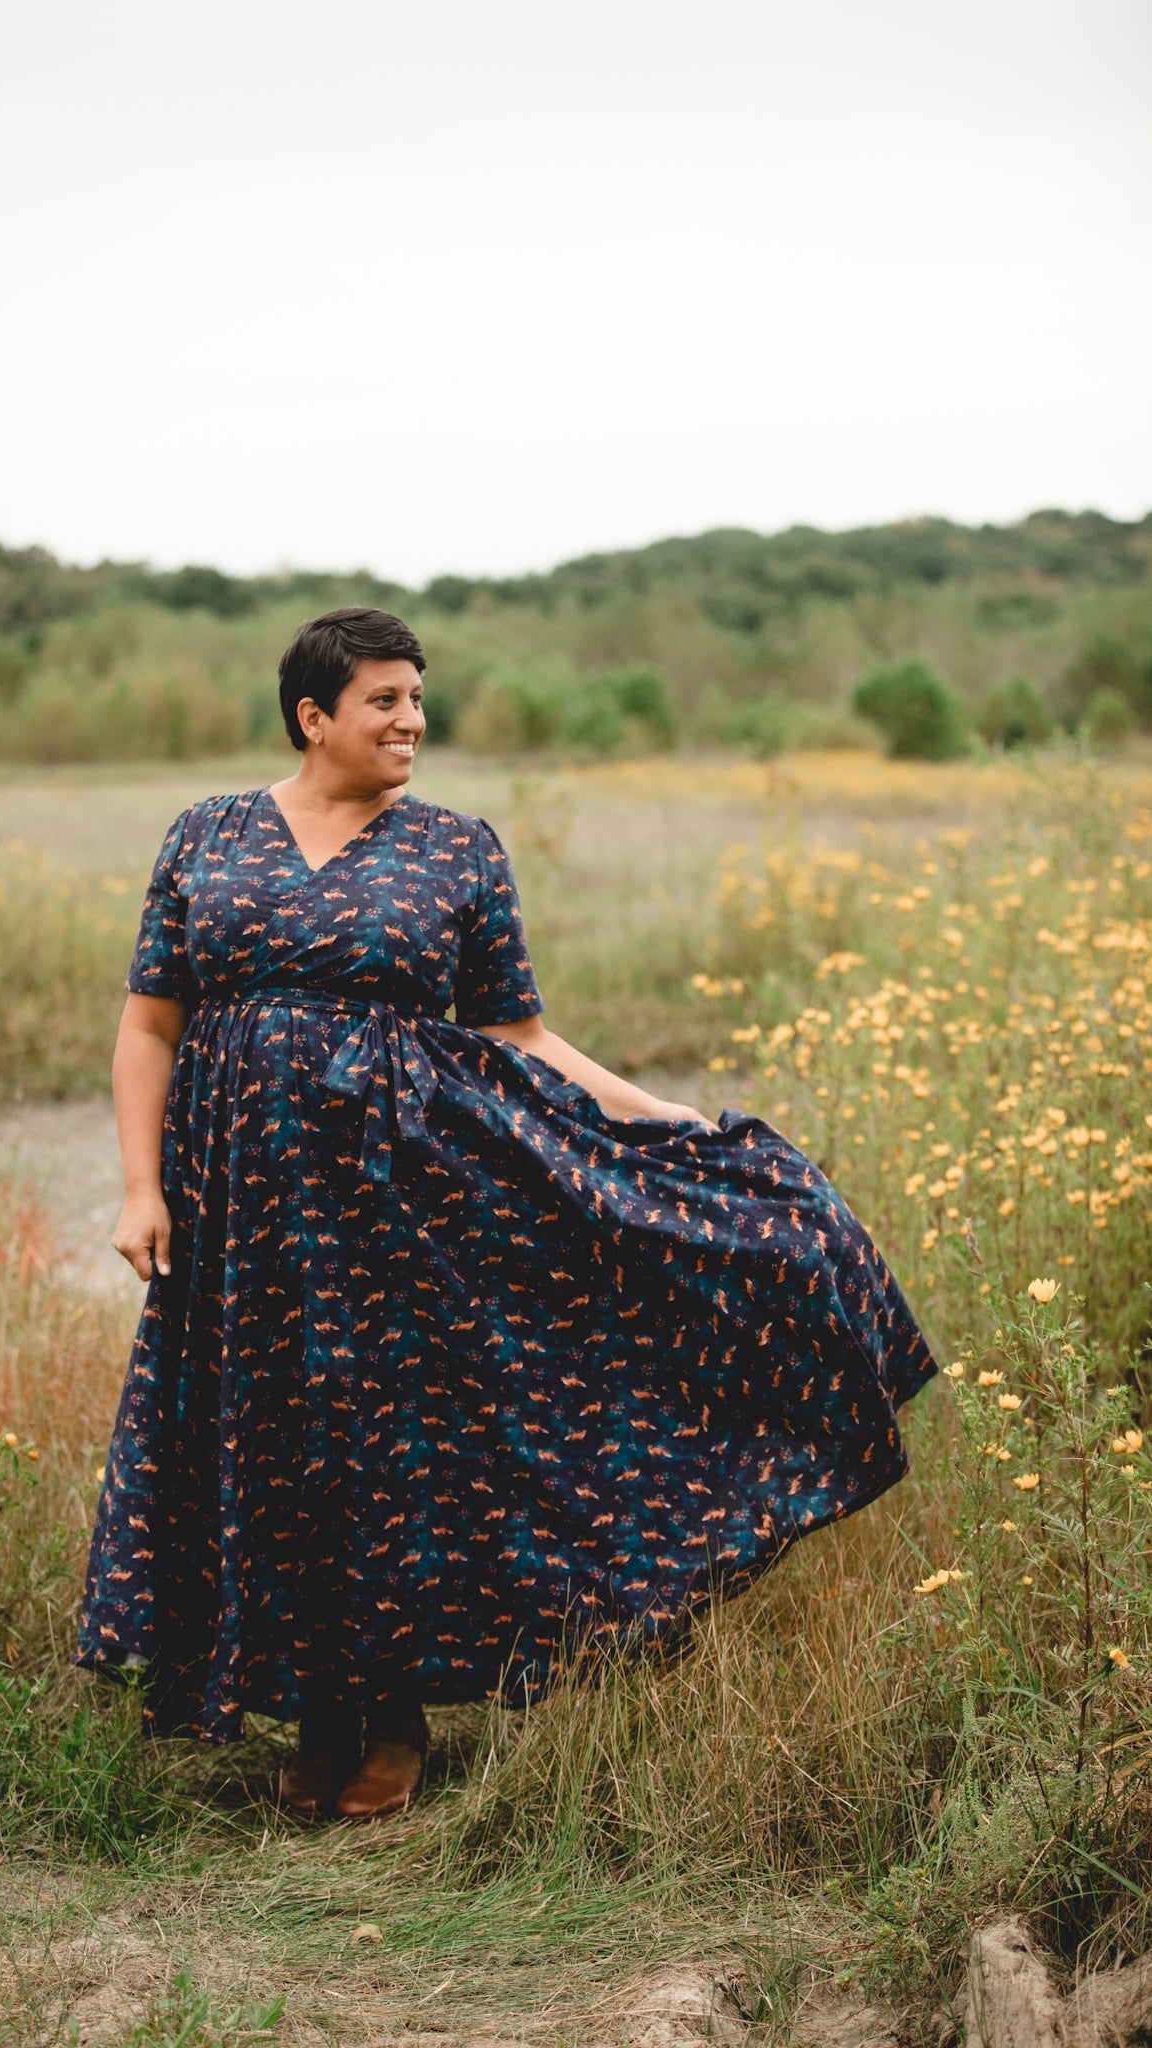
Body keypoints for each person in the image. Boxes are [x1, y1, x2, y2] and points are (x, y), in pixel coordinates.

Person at [77, 607, 936, 1819]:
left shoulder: (455, 850)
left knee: (387, 1450)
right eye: (386, 699)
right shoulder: (207, 837)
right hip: (240, 1212)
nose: (412, 719)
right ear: (314, 715)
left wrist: (659, 1119)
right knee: (267, 1441)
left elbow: (517, 1033)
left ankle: (388, 1720)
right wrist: (138, 1183)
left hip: (401, 1208)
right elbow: (150, 1022)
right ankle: (309, 1713)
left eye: (419, 697)